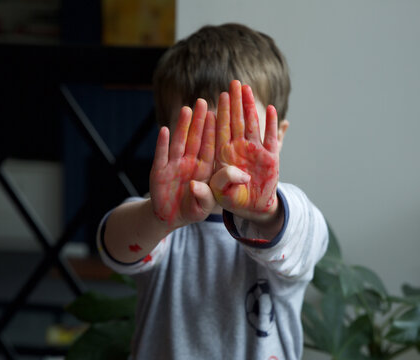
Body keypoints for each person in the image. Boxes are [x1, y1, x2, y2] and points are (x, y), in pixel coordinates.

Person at [96, 23, 328, 360]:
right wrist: (157, 218)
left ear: (276, 136)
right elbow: (114, 248)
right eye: (201, 133)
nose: (220, 151)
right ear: (169, 138)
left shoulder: (286, 219)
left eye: (239, 132)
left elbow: (310, 242)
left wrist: (265, 212)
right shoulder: (162, 222)